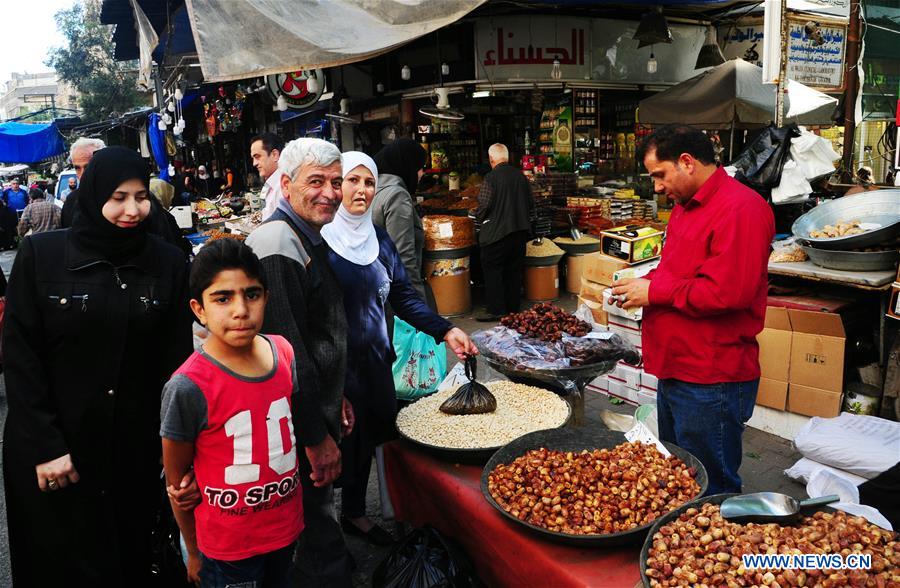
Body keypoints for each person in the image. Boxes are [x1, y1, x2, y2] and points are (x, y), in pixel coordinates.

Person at [2, 146, 195, 585]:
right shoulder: (41, 256)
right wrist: (46, 447)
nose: (132, 210)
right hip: (58, 452)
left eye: (141, 197)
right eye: (118, 197)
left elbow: (176, 362)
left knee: (130, 560)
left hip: (132, 452)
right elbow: (21, 357)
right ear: (93, 196)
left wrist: (174, 448)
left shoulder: (165, 261)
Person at [322, 152, 477, 545]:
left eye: (369, 182)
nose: (361, 190)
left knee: (374, 437)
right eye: (352, 181)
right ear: (337, 185)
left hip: (377, 359)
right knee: (335, 449)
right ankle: (323, 536)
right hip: (338, 366)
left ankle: (358, 512)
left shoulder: (379, 239)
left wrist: (446, 330)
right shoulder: (321, 240)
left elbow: (404, 297)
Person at [611, 125, 775, 495]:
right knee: (680, 475)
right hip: (677, 366)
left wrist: (654, 291)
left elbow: (727, 293)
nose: (657, 187)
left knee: (711, 484)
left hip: (711, 377)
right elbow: (679, 271)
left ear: (687, 162)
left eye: (660, 175)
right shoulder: (685, 208)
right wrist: (641, 282)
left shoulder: (741, 209)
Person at [161, 239, 303, 586]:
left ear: (266, 297)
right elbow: (177, 484)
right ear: (199, 309)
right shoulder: (187, 386)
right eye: (222, 298)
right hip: (228, 552)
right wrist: (194, 552)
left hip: (286, 531)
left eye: (251, 294)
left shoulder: (283, 352)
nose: (241, 310)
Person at [245, 138, 354, 587]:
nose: (330, 192)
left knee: (317, 518)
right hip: (293, 426)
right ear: (286, 185)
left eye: (336, 182)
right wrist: (315, 437)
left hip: (309, 411)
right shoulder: (277, 243)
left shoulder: (304, 235)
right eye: (316, 182)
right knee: (313, 527)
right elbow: (286, 356)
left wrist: (336, 394)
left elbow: (314, 332)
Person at [474, 143, 534, 321]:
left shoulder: (491, 178)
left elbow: (484, 204)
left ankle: (497, 310)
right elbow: (531, 204)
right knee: (513, 272)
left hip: (496, 234)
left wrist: (478, 217)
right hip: (519, 232)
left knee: (493, 271)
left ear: (491, 159)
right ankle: (513, 308)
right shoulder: (521, 177)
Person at [371, 138, 429, 301]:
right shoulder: (397, 195)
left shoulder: (372, 190)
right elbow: (403, 256)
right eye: (420, 167)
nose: (422, 173)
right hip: (398, 293)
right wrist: (417, 302)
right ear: (407, 165)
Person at [61, 137, 107, 228]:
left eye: (88, 167)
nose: (83, 174)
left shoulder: (122, 196)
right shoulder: (71, 201)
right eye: (77, 168)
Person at [250, 132, 285, 221]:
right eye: (253, 158)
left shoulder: (283, 187)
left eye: (257, 157)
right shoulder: (272, 184)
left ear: (274, 155)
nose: (254, 163)